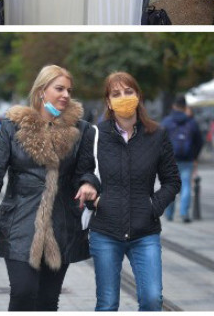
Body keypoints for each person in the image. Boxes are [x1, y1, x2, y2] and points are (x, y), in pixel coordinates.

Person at [0, 65, 90, 311]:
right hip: (20, 222)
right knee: (23, 293)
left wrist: (89, 183)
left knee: (47, 301)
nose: (66, 94)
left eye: (69, 90)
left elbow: (87, 169)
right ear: (42, 91)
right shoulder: (13, 127)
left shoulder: (81, 130)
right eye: (59, 88)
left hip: (61, 224)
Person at [74, 72, 180, 312]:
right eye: (116, 94)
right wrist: (95, 200)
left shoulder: (157, 135)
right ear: (109, 102)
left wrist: (152, 207)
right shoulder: (95, 135)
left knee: (152, 300)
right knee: (108, 304)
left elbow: (172, 180)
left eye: (128, 92)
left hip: (145, 233)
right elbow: (84, 174)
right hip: (105, 232)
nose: (123, 97)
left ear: (138, 96)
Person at [160, 96, 204, 223]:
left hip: (169, 160)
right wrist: (194, 156)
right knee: (185, 186)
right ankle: (184, 212)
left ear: (174, 106)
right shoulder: (191, 122)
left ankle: (169, 213)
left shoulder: (167, 122)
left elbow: (158, 140)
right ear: (185, 107)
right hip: (187, 159)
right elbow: (199, 141)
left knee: (170, 185)